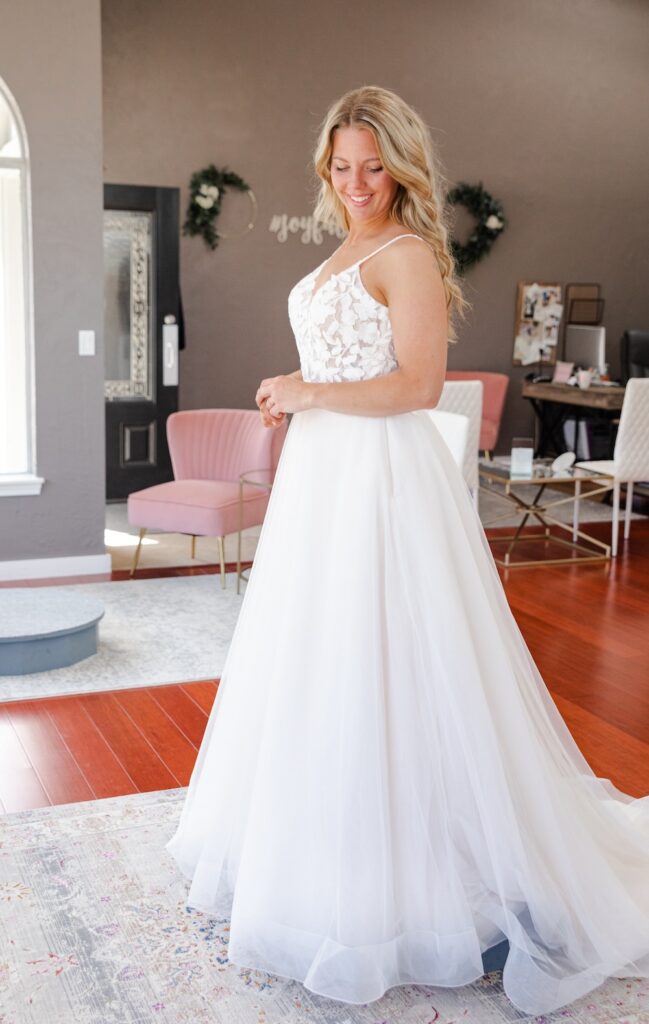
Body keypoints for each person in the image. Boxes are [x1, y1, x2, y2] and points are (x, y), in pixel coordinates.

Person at [166, 85, 649, 1016]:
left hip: (379, 485)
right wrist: (295, 389)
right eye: (342, 166)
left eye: (373, 165)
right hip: (322, 480)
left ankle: (414, 876)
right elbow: (351, 367)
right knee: (316, 661)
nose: (356, 181)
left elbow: (417, 383)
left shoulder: (408, 252)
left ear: (402, 165)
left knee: (383, 658)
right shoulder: (345, 246)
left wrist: (303, 392)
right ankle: (324, 856)